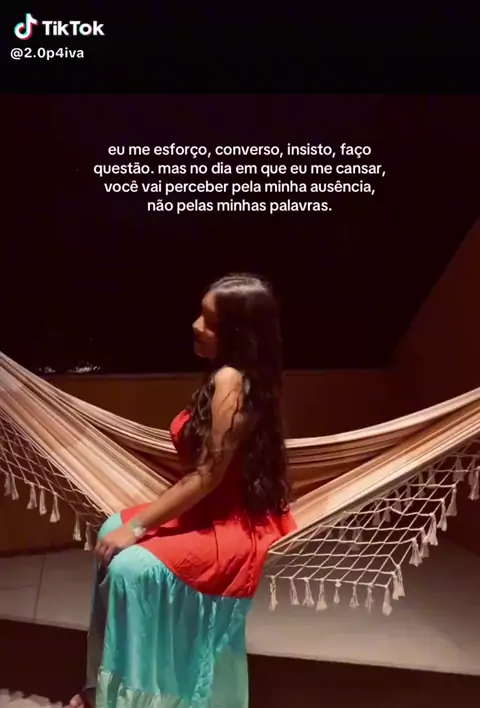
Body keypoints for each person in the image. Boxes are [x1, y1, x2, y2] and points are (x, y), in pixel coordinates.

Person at [69, 273, 296, 708]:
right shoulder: (235, 374)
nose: (196, 325)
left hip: (228, 523)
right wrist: (130, 526)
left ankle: (143, 696)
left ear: (236, 334)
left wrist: (138, 527)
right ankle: (103, 688)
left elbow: (208, 476)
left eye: (209, 322)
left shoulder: (231, 380)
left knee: (128, 567)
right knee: (109, 530)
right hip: (205, 508)